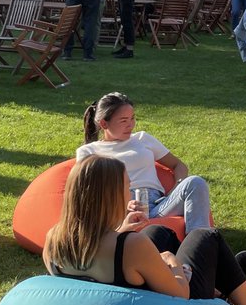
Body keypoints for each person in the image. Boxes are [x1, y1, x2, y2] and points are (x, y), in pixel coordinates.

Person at [42, 155, 246, 305]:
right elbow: (179, 295)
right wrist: (172, 264)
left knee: (158, 233)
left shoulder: (53, 240)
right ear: (110, 196)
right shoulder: (129, 247)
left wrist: (121, 230)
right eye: (126, 188)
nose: (128, 195)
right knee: (205, 236)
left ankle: (224, 295)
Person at [77, 92, 212, 228]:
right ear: (104, 124)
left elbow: (178, 165)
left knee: (195, 182)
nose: (131, 125)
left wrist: (175, 189)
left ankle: (201, 241)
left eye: (132, 118)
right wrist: (122, 205)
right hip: (120, 211)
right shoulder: (88, 151)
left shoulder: (142, 138)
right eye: (123, 120)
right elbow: (89, 192)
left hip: (159, 205)